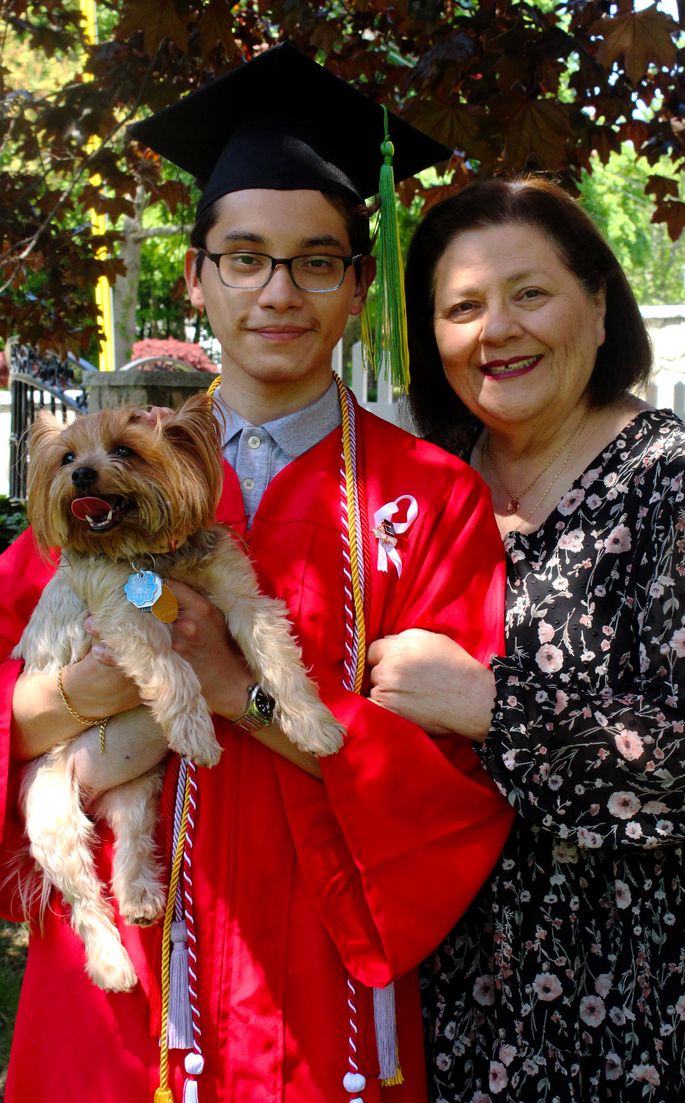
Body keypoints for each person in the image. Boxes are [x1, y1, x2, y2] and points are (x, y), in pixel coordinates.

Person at [0, 45, 513, 1103]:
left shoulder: (427, 499)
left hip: (321, 994)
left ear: (359, 284)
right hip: (122, 980)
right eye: (244, 256)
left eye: (317, 260)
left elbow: (459, 790)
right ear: (197, 275)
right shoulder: (93, 486)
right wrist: (80, 696)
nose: (278, 291)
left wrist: (239, 691)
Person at [367, 176, 685, 1101]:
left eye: (529, 293)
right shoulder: (424, 498)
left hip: (651, 1013)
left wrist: (492, 707)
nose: (495, 329)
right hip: (462, 1005)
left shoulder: (682, 491)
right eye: (462, 305)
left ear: (597, 306)